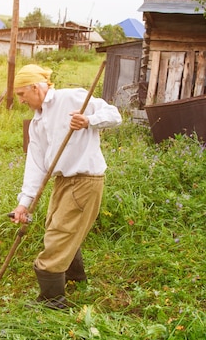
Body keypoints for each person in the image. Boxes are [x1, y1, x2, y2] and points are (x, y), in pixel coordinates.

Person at [9, 64, 122, 310]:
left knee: (59, 234)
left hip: (85, 180)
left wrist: (89, 120)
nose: (20, 100)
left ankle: (53, 301)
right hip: (63, 181)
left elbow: (114, 115)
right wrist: (23, 203)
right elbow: (36, 164)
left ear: (36, 87)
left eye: (21, 94)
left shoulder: (72, 98)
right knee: (56, 226)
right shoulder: (36, 123)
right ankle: (75, 277)